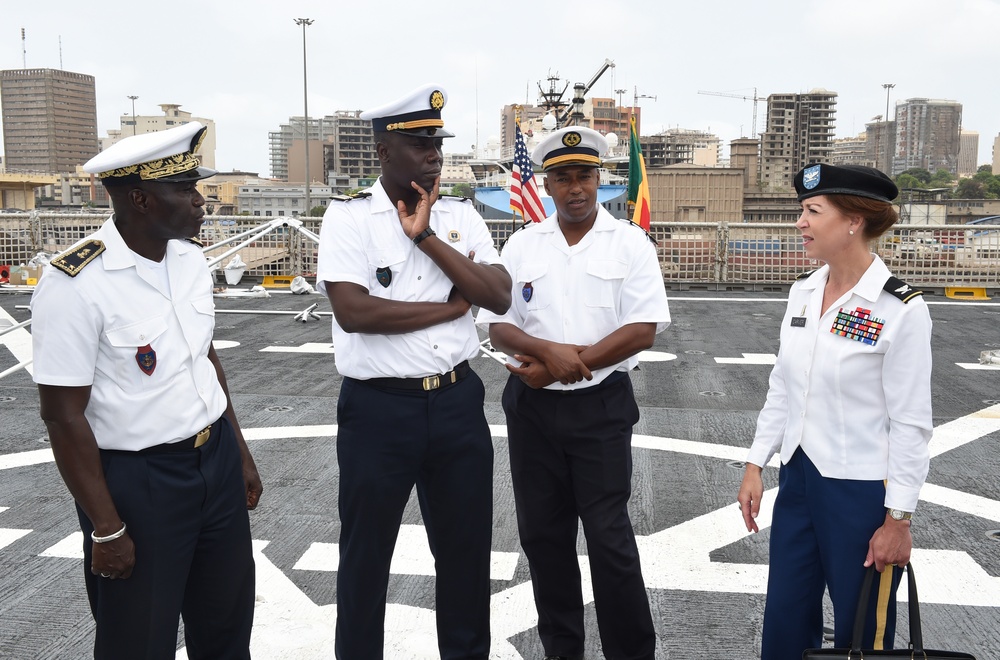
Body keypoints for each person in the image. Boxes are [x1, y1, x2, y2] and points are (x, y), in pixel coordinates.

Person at [29, 121, 262, 660]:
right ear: (140, 198)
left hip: (215, 463)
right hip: (141, 482)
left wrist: (240, 454)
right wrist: (106, 529)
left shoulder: (188, 260)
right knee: (138, 641)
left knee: (227, 632)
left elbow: (202, 360)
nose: (201, 201)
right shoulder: (75, 284)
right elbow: (63, 415)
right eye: (184, 190)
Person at [316, 84, 512, 660]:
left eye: (437, 142)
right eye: (420, 143)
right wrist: (452, 308)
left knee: (465, 555)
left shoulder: (459, 215)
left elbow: (497, 295)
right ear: (383, 150)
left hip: (455, 405)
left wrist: (425, 237)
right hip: (379, 411)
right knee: (365, 557)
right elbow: (355, 312)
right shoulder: (348, 217)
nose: (434, 153)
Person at [477, 126, 670, 660]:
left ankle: (631, 654)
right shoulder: (521, 244)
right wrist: (547, 352)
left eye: (583, 175)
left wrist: (565, 365)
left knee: (609, 542)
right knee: (544, 540)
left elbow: (643, 328)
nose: (575, 188)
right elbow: (498, 325)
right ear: (546, 184)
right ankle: (563, 651)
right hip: (533, 410)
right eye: (562, 177)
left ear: (599, 179)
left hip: (600, 408)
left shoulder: (630, 242)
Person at [737, 163, 933, 659]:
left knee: (862, 624)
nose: (800, 222)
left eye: (812, 211)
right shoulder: (804, 291)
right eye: (802, 210)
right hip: (800, 477)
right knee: (785, 614)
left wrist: (899, 520)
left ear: (853, 222)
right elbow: (783, 385)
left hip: (862, 491)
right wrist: (756, 462)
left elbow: (911, 421)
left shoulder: (899, 309)